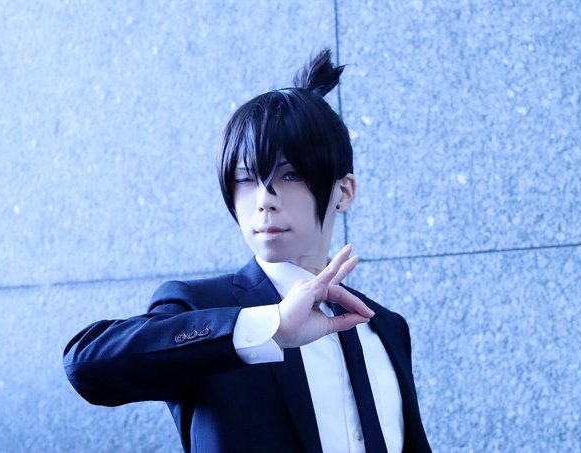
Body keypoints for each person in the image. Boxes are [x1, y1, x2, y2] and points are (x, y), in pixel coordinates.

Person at [63, 49, 432, 453]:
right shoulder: (204, 308)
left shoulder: (387, 327)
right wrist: (268, 328)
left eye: (290, 175)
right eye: (244, 179)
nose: (264, 200)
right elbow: (86, 364)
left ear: (343, 191)